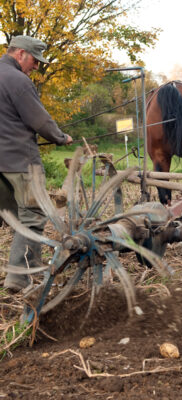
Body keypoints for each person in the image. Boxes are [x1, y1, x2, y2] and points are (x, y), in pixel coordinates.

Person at [0, 35, 73, 292]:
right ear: (20, 54)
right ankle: (19, 278)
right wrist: (60, 137)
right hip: (21, 163)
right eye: (34, 60)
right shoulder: (18, 81)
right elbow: (39, 121)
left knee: (13, 217)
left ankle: (25, 268)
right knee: (32, 217)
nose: (36, 66)